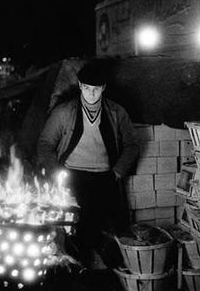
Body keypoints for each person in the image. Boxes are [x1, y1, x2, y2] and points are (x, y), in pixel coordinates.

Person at [37, 60, 139, 271]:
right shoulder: (64, 112)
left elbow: (132, 144)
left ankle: (115, 269)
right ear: (80, 86)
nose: (91, 94)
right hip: (72, 175)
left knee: (116, 225)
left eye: (96, 89)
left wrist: (118, 172)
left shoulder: (116, 112)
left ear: (103, 89)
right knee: (78, 225)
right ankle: (80, 266)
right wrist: (57, 172)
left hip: (106, 176)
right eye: (87, 88)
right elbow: (45, 143)